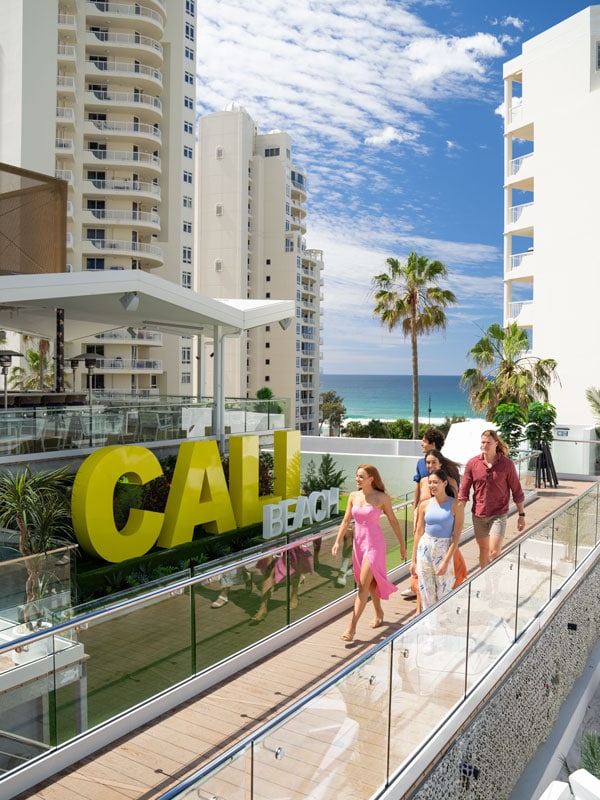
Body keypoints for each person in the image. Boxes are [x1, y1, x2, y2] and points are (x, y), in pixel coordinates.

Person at [332, 464, 407, 642]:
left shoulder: (381, 498)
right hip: (358, 545)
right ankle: (379, 612)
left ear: (371, 479)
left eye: (360, 477)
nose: (357, 479)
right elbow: (345, 521)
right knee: (370, 583)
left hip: (374, 545)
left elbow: (394, 521)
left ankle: (351, 628)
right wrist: (337, 542)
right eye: (356, 476)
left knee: (362, 586)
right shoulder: (353, 496)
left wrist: (402, 545)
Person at [458, 429, 526, 569]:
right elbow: (463, 491)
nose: (485, 445)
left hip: (498, 514)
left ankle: (495, 581)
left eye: (488, 442)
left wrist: (521, 515)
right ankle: (485, 582)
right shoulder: (473, 463)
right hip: (478, 514)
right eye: (483, 442)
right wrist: (457, 515)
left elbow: (517, 490)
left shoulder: (507, 465)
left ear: (496, 443)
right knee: (483, 550)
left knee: (494, 551)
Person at [401, 428, 446, 601]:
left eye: (425, 440)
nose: (421, 443)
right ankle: (415, 586)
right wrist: (415, 508)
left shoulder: (444, 464)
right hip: (422, 511)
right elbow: (418, 486)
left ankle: (436, 584)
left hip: (438, 513)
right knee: (418, 547)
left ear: (433, 444)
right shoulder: (420, 463)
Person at [411, 468, 464, 610]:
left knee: (444, 589)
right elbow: (419, 533)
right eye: (430, 483)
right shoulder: (424, 505)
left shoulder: (456, 505)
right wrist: (413, 560)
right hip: (425, 547)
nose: (432, 485)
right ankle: (430, 625)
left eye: (435, 482)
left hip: (443, 548)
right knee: (426, 589)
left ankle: (444, 622)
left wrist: (446, 562)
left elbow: (456, 536)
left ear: (445, 483)